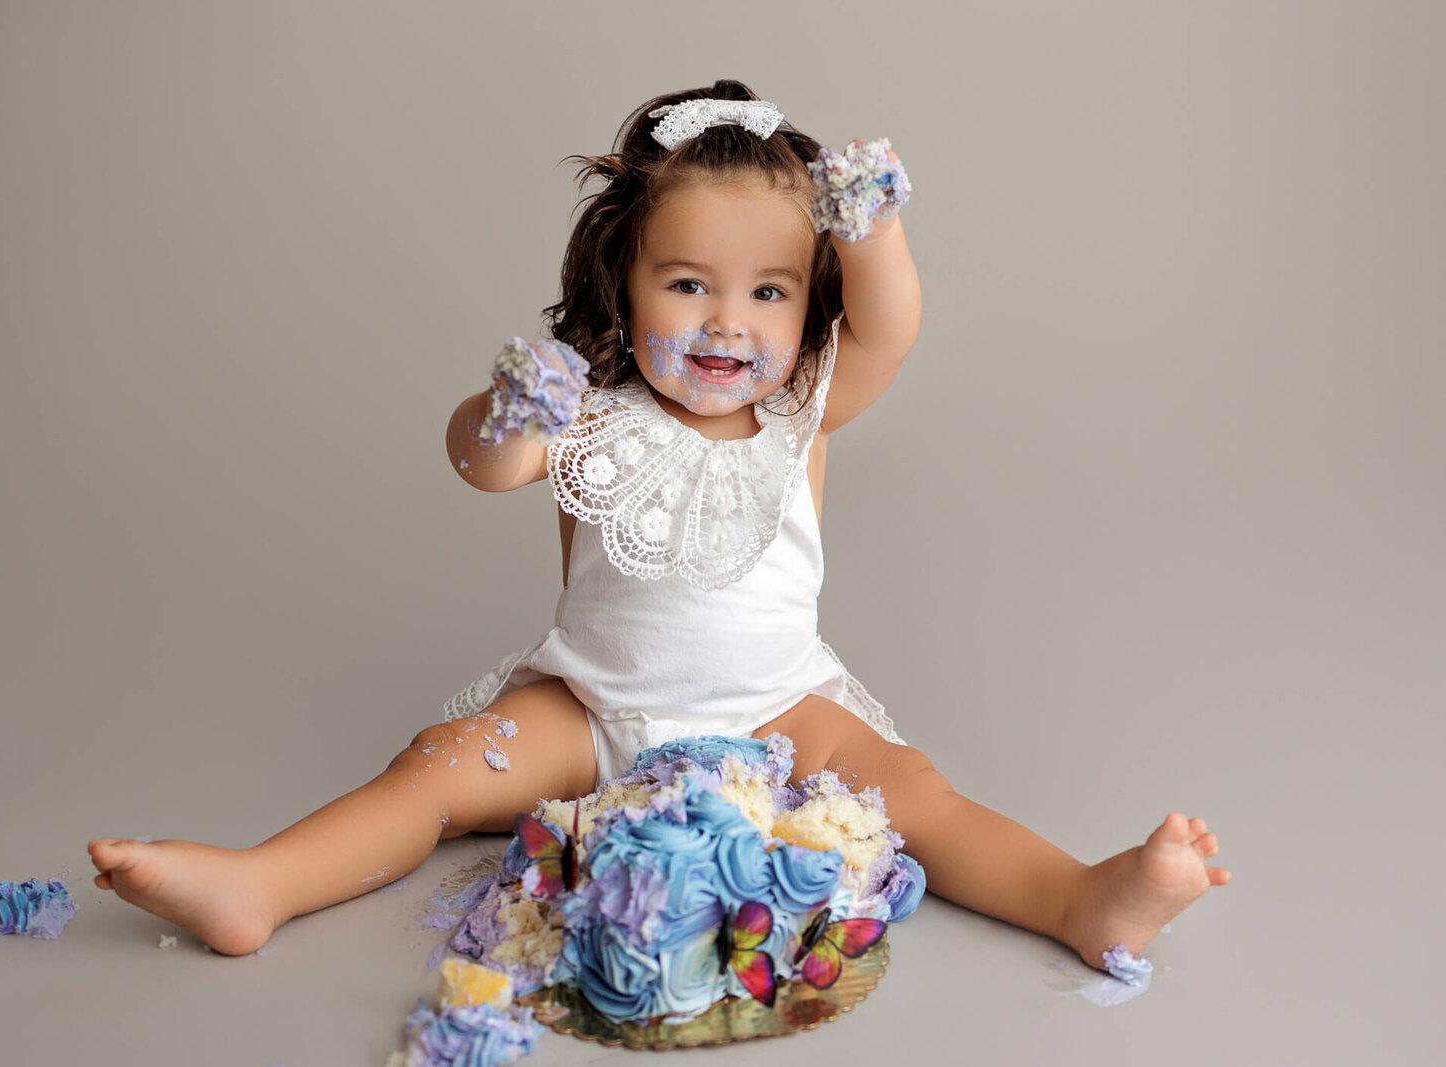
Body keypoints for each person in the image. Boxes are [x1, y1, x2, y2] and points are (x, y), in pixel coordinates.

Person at [89, 80, 1228, 973]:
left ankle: (1084, 896)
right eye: (687, 284)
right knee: (434, 770)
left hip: (781, 708)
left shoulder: (800, 410)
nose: (728, 320)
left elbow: (890, 328)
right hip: (588, 710)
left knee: (918, 793)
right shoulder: (590, 412)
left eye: (770, 292)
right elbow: (483, 466)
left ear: (808, 304)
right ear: (621, 286)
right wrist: (509, 410)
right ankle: (262, 884)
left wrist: (868, 227)